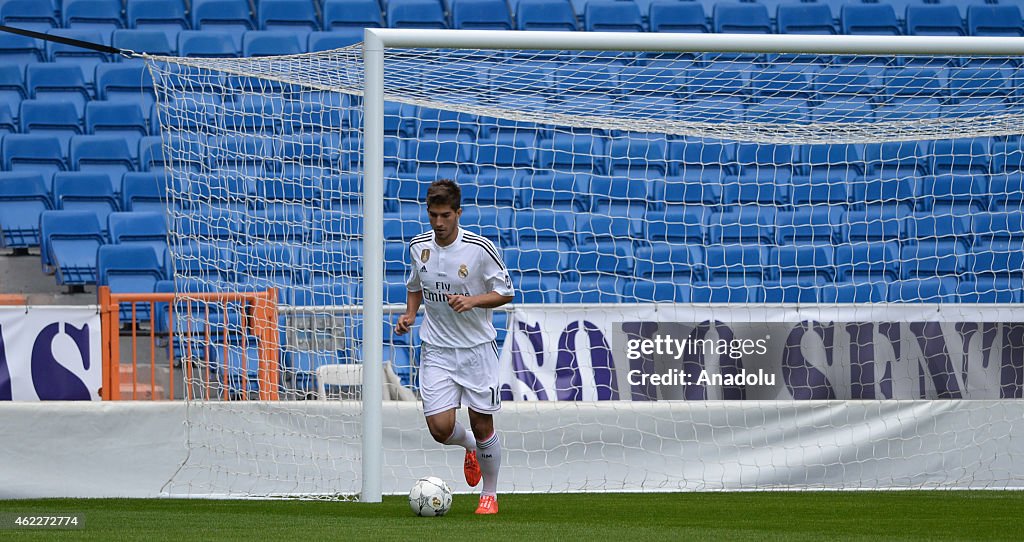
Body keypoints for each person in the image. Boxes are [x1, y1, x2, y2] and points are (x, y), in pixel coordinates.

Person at [395, 179, 514, 515]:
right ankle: (472, 449)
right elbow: (416, 285)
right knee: (440, 429)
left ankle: (488, 494)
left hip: (477, 349)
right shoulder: (418, 247)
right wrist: (410, 314)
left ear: (458, 213)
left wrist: (473, 300)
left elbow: (506, 292)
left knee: (482, 423)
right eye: (433, 215)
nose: (439, 223)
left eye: (445, 215)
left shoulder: (479, 248)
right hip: (437, 349)